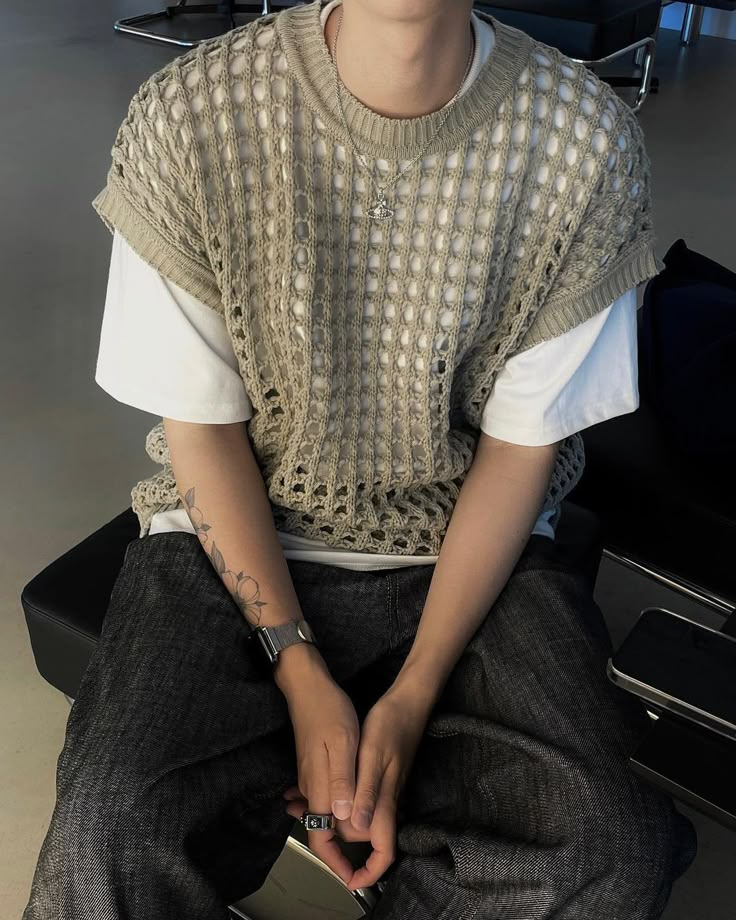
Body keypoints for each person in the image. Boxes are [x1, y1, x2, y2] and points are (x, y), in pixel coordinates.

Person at [23, 1, 698, 918]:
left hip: (469, 553)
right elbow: (203, 431)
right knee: (112, 830)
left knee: (607, 848)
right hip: (233, 540)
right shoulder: (191, 115)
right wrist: (297, 665)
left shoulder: (582, 140)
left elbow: (518, 452)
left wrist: (412, 695)